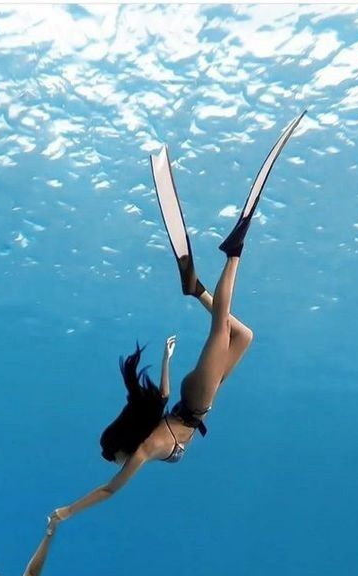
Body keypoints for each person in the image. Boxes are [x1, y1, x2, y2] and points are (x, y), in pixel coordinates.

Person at [48, 111, 306, 524]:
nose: (115, 462)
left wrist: (66, 511)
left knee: (222, 326)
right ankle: (197, 288)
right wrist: (168, 358)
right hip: (196, 399)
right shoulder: (151, 433)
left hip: (198, 400)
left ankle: (234, 251)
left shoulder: (146, 449)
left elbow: (110, 490)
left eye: (113, 456)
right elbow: (163, 394)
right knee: (245, 336)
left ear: (120, 446)